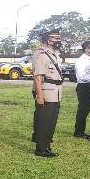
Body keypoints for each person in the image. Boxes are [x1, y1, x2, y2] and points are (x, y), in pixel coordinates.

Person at [32, 28, 63, 158]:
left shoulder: (54, 55)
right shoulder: (42, 55)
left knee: (52, 121)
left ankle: (47, 146)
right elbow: (38, 77)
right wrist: (39, 96)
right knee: (44, 121)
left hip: (56, 92)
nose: (58, 41)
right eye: (56, 39)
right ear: (49, 40)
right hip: (46, 91)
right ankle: (40, 148)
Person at [73, 41, 90, 139]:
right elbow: (81, 76)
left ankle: (81, 130)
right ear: (87, 49)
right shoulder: (81, 60)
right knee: (83, 109)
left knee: (86, 109)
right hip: (84, 86)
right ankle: (78, 131)